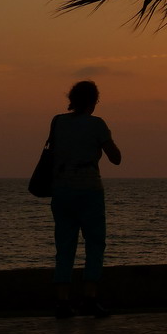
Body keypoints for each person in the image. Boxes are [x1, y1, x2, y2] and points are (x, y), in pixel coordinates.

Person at [49, 80, 121, 318]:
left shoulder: (58, 122)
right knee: (95, 244)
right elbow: (116, 158)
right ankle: (90, 298)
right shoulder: (97, 125)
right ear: (94, 101)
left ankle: (61, 301)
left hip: (62, 189)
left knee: (65, 246)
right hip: (89, 189)